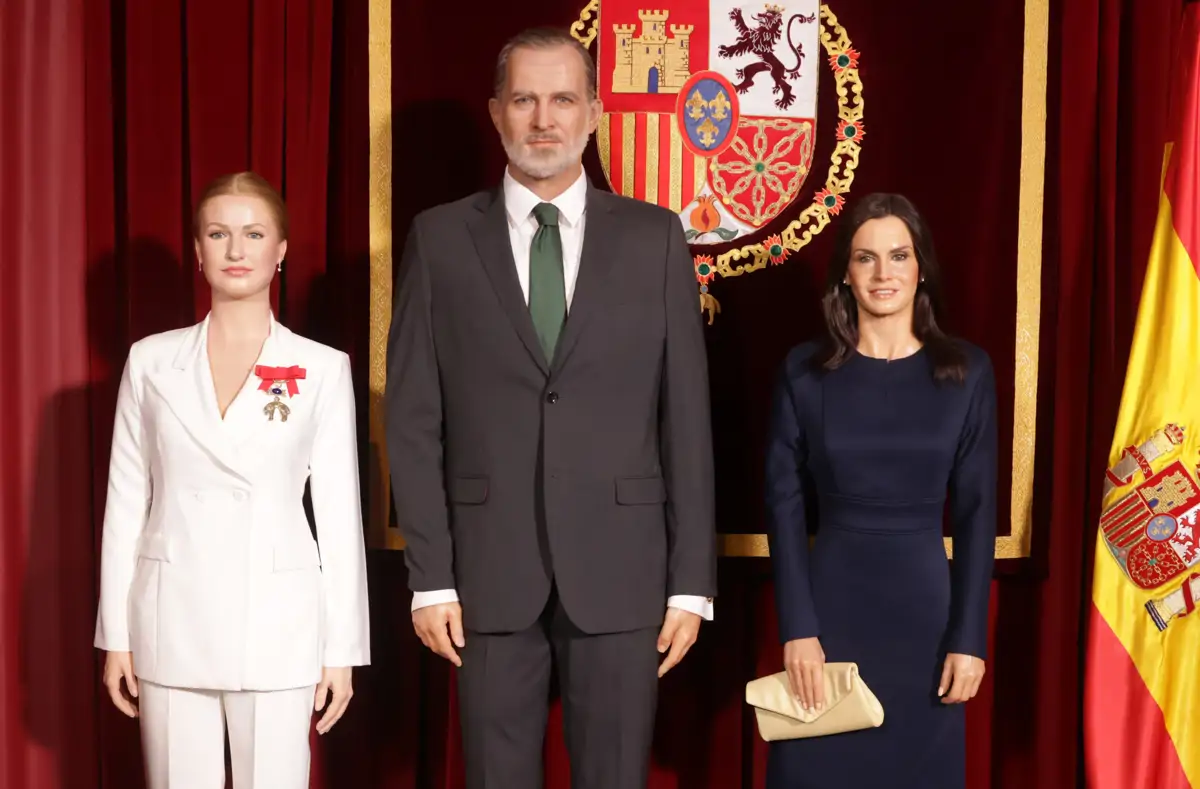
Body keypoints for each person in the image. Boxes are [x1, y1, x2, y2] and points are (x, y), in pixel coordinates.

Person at [386, 26, 716, 789]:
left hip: (625, 574)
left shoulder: (656, 238)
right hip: (484, 578)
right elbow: (412, 417)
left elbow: (687, 422)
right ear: (497, 112)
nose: (544, 119)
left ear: (595, 113)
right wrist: (430, 576)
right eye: (526, 99)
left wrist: (690, 579)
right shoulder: (438, 240)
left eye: (563, 99)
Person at [94, 172, 371, 789]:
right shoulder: (151, 360)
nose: (236, 250)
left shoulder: (322, 369)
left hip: (278, 622)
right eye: (219, 234)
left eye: (253, 233)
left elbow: (338, 513)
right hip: (170, 617)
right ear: (198, 251)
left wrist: (341, 650)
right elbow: (124, 503)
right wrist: (116, 632)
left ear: (281, 251)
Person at [763, 193, 996, 788]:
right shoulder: (803, 370)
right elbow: (784, 506)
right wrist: (797, 628)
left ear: (921, 268)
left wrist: (970, 638)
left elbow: (975, 512)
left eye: (899, 255)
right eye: (867, 258)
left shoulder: (967, 372)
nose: (884, 273)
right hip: (829, 613)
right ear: (846, 270)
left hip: (927, 621)